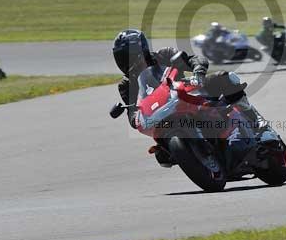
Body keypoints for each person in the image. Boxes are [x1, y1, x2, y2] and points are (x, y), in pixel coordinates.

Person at [112, 29, 269, 160]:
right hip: (161, 114)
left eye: (129, 55)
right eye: (122, 57)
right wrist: (137, 118)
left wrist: (198, 72)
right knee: (162, 154)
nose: (127, 61)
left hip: (188, 93)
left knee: (226, 78)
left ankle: (257, 124)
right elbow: (132, 115)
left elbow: (194, 60)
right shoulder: (126, 85)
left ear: (142, 50)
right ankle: (193, 152)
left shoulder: (164, 55)